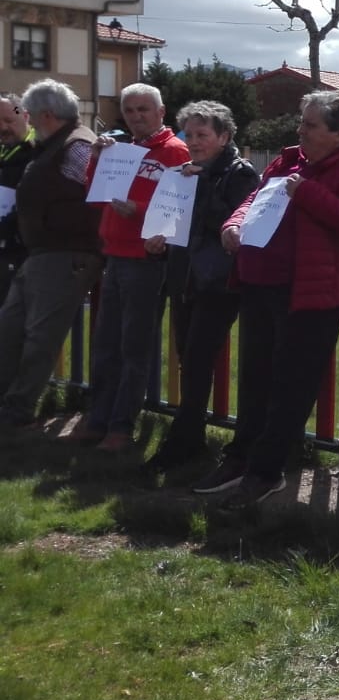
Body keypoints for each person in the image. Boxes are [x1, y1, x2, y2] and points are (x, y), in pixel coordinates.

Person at [194, 91, 339, 511]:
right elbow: (253, 201)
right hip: (260, 284)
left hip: (310, 293)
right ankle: (240, 458)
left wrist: (307, 194)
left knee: (291, 385)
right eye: (302, 122)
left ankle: (266, 471)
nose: (300, 130)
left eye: (310, 125)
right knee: (255, 376)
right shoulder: (287, 160)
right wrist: (234, 224)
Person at [144, 101, 260, 474]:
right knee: (187, 359)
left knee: (196, 358)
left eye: (202, 135)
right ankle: (189, 436)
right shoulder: (182, 174)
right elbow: (178, 227)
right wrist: (157, 245)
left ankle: (183, 441)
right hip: (185, 278)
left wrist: (201, 185)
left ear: (224, 136)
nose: (193, 142)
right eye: (188, 135)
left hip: (218, 283)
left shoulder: (240, 174)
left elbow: (234, 224)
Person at [81, 83, 190, 451]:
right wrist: (97, 159)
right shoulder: (120, 150)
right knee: (106, 343)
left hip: (146, 260)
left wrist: (139, 211)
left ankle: (121, 426)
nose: (136, 116)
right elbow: (96, 199)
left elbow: (177, 207)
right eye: (129, 110)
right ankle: (99, 418)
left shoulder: (175, 152)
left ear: (162, 113)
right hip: (115, 255)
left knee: (133, 346)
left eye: (144, 109)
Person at [0, 80, 103, 430]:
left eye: (27, 113)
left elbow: (98, 195)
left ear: (46, 115)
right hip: (43, 252)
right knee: (10, 330)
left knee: (39, 338)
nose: (25, 119)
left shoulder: (76, 147)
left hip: (66, 254)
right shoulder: (52, 146)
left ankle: (16, 411)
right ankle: (8, 403)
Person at [0, 93, 35, 305]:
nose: (3, 128)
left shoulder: (39, 152)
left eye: (9, 120)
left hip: (23, 255)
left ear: (25, 116)